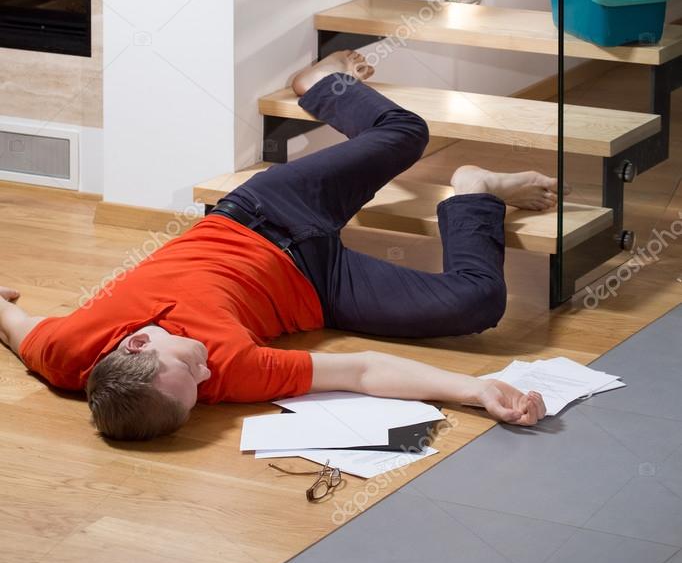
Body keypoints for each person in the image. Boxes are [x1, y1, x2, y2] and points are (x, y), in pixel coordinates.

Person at [0, 51, 555, 441]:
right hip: (319, 284)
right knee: (477, 303)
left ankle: (320, 82)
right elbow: (360, 371)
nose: (204, 376)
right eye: (198, 394)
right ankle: (475, 189)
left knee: (405, 132)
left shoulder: (66, 351)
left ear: (135, 349)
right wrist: (475, 390)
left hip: (264, 214)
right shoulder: (228, 375)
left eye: (187, 372)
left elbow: (13, 325)